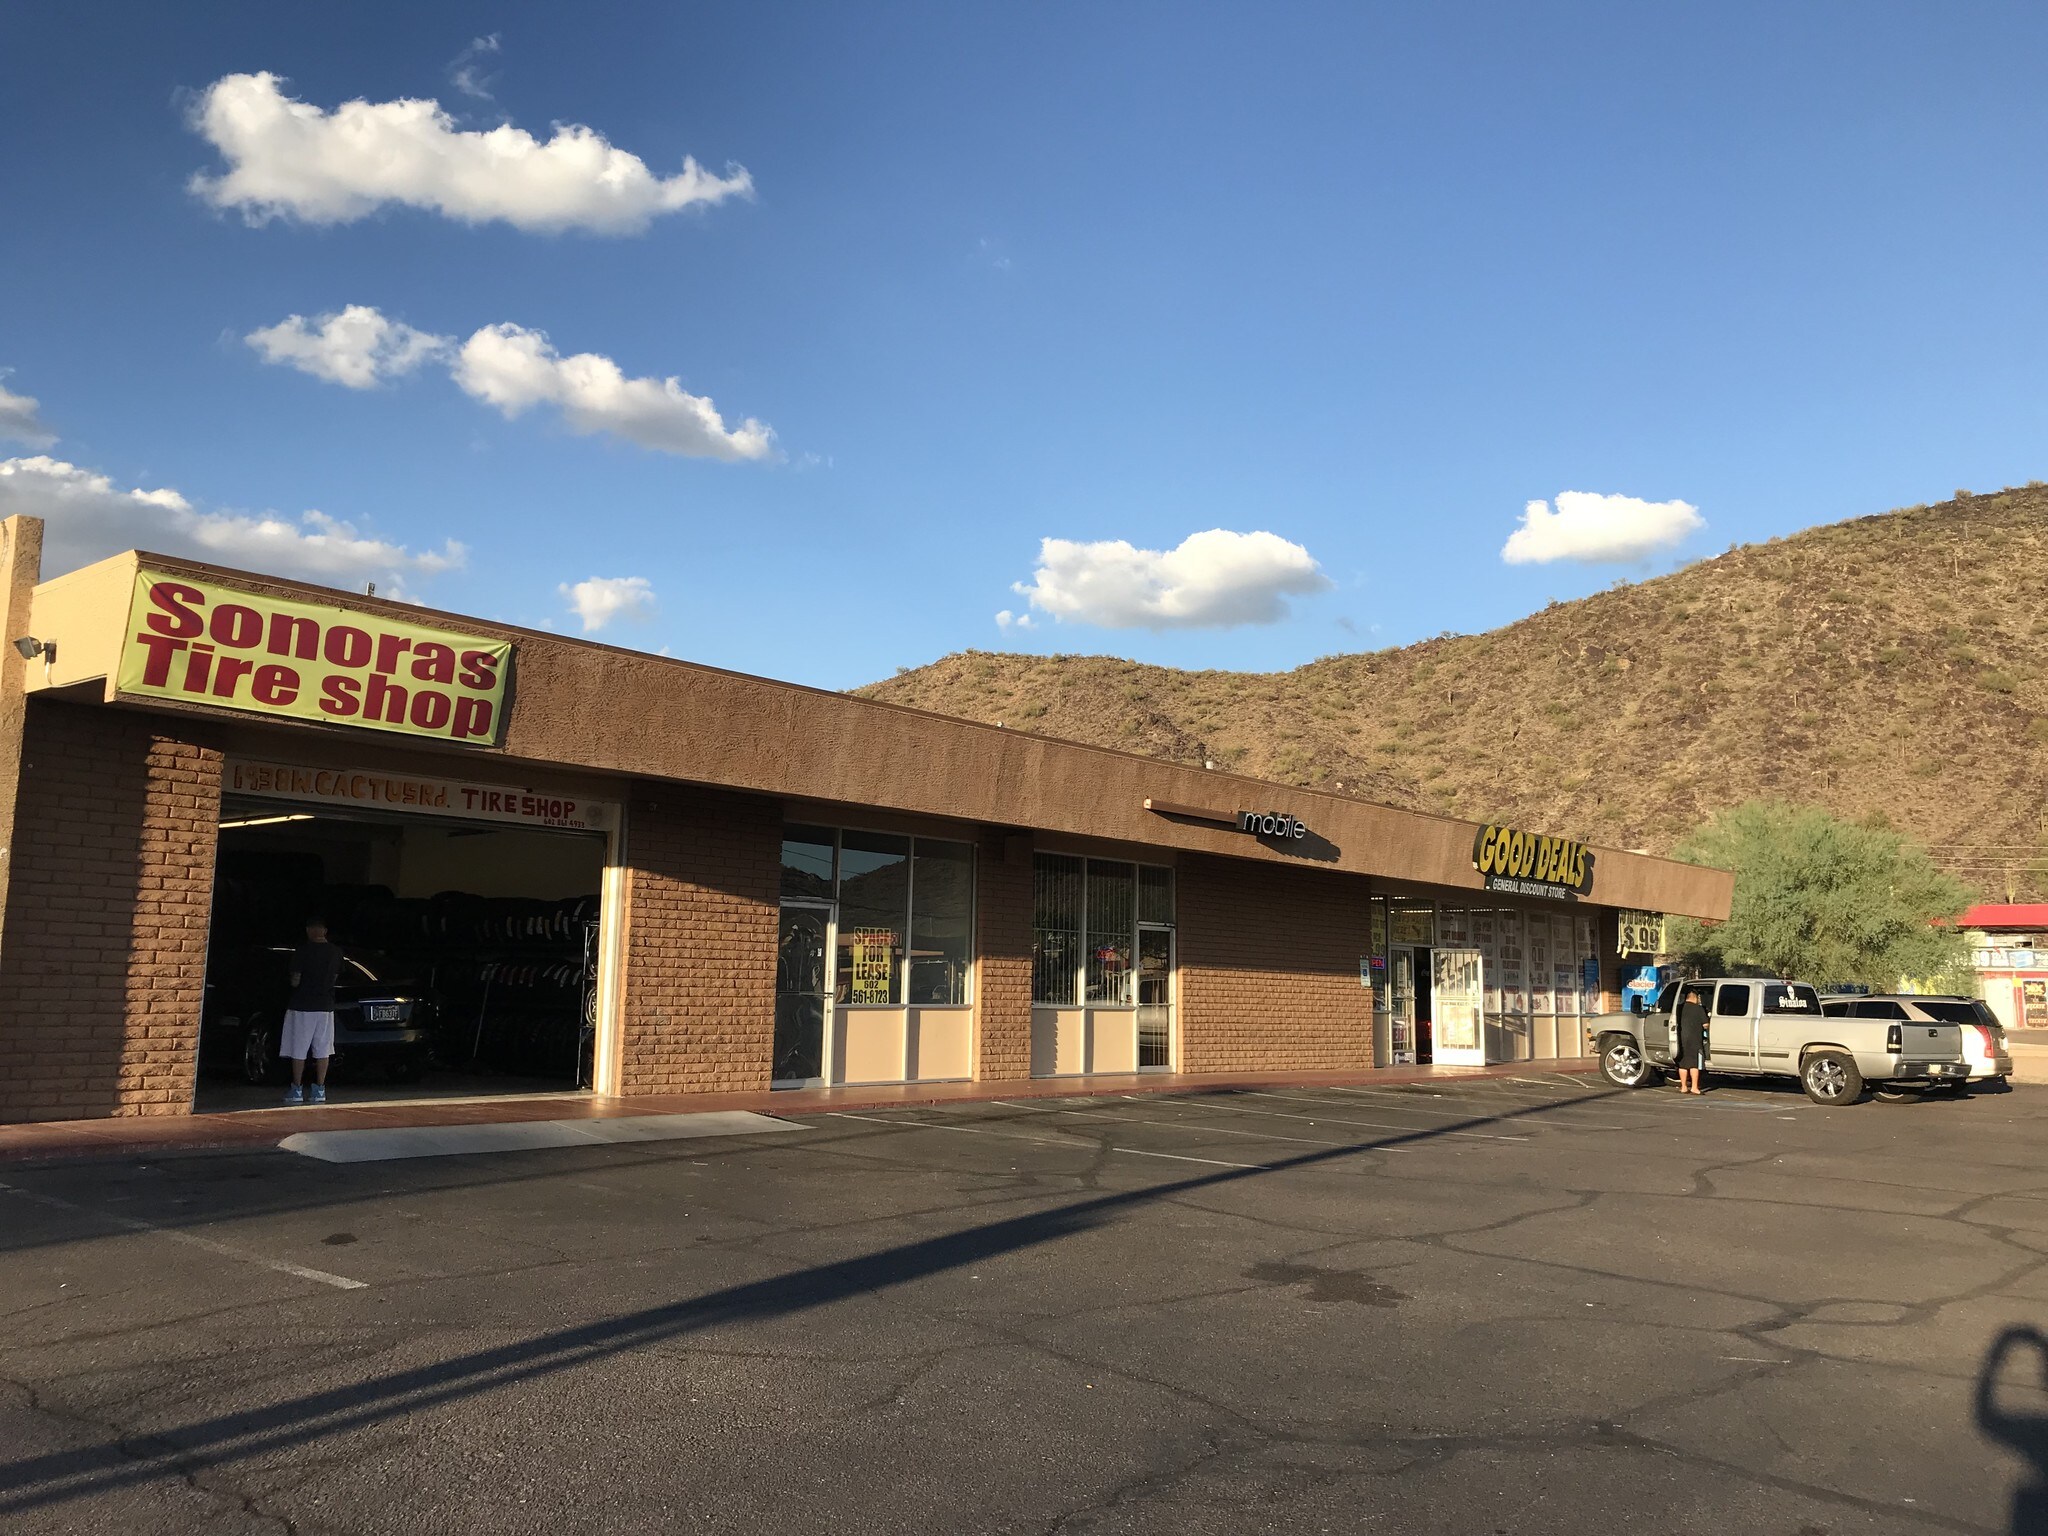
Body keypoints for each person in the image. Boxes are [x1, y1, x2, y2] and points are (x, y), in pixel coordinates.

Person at [282, 918, 343, 1105]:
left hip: (302, 1005)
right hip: (325, 1006)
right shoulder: (336, 952)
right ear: (325, 930)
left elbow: (295, 980)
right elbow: (334, 977)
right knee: (323, 1048)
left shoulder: (303, 950)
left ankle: (297, 1088)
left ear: (310, 930)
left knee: (299, 1048)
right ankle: (319, 1089)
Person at [1675, 985, 1709, 1095]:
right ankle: (1694, 1087)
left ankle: (1684, 1087)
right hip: (1695, 1040)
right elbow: (1705, 1024)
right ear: (1695, 997)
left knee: (1683, 1064)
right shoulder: (1699, 1009)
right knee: (1694, 1065)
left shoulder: (1679, 1008)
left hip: (1680, 1040)